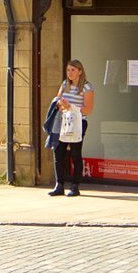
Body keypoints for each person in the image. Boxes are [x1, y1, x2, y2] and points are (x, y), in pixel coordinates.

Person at [47, 58, 95, 197]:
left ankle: (75, 186)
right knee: (58, 151)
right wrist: (61, 104)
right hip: (63, 122)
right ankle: (59, 185)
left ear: (80, 71)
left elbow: (88, 109)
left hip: (79, 123)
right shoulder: (64, 84)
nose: (70, 73)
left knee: (75, 153)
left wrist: (71, 107)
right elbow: (57, 102)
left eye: (73, 70)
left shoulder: (87, 87)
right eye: (68, 70)